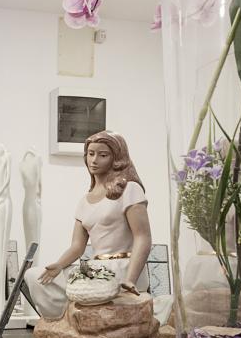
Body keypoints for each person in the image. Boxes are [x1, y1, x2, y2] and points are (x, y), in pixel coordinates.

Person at [24, 131, 151, 318]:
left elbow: (143, 237)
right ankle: (62, 320)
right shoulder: (84, 202)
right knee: (34, 276)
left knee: (91, 288)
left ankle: (79, 316)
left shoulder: (129, 190)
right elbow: (77, 247)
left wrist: (130, 279)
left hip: (123, 269)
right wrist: (59, 265)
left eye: (103, 155)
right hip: (96, 270)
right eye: (91, 154)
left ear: (117, 158)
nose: (94, 160)